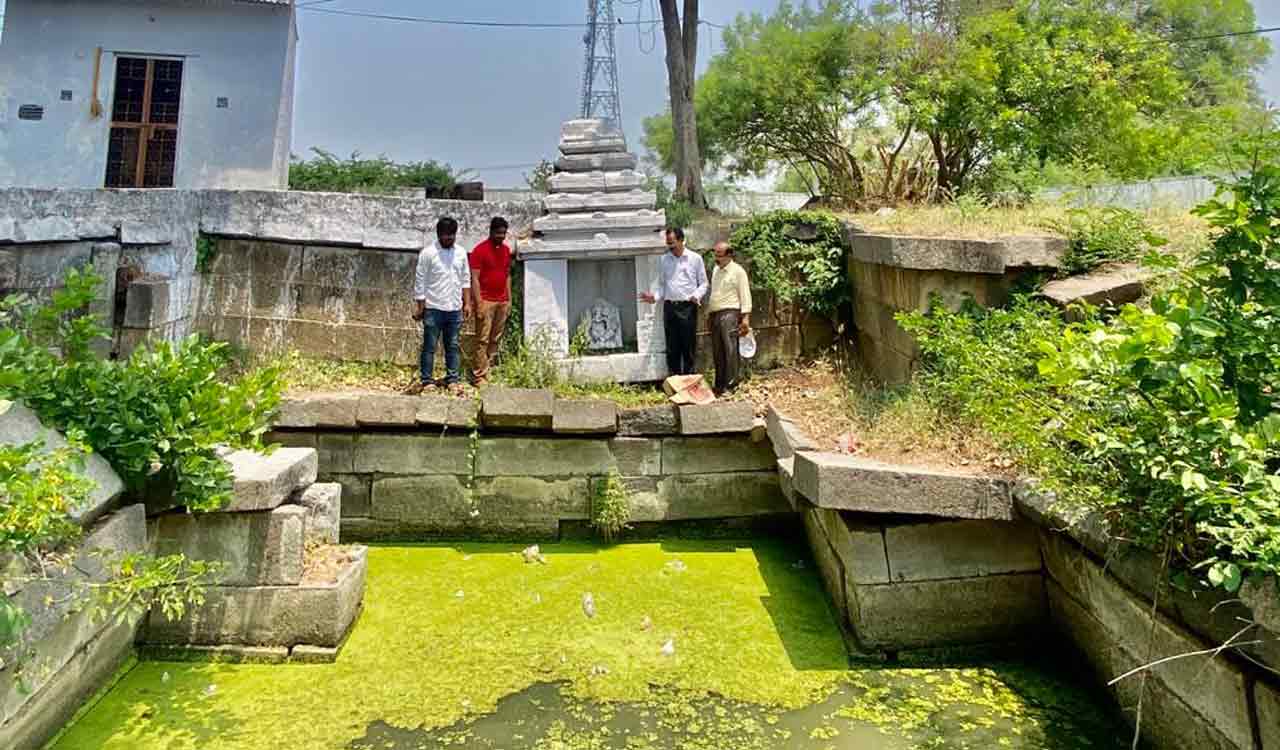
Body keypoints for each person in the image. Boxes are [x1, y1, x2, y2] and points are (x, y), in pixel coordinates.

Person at [408, 217, 471, 393]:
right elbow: (420, 282)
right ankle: (427, 380)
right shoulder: (428, 254)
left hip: (454, 308)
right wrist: (421, 307)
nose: (449, 239)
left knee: (452, 345)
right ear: (438, 234)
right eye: (446, 236)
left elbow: (465, 279)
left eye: (452, 236)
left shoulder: (461, 253)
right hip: (433, 308)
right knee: (429, 346)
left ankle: (452, 380)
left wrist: (467, 303)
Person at [639, 226, 708, 376]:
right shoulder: (664, 259)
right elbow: (663, 286)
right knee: (672, 346)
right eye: (668, 243)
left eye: (672, 243)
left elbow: (703, 283)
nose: (670, 246)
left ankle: (689, 380)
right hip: (670, 307)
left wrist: (696, 295)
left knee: (688, 345)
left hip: (687, 307)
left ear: (682, 240)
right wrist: (654, 297)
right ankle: (675, 380)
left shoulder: (695, 258)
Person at [468, 216, 512, 384]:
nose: (501, 236)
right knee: (482, 338)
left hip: (502, 301)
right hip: (486, 301)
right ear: (491, 231)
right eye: (498, 233)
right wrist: (478, 304)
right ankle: (479, 375)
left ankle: (489, 370)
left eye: (503, 233)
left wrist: (509, 300)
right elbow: (475, 279)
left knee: (495, 338)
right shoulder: (480, 250)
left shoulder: (506, 250)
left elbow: (507, 275)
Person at [707, 241, 752, 394]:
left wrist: (745, 318)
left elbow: (745, 295)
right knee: (717, 351)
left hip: (730, 313)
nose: (716, 258)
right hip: (715, 314)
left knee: (730, 349)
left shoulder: (738, 271)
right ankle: (719, 384)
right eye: (715, 254)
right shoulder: (716, 270)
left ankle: (732, 384)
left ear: (729, 255)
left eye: (719, 255)